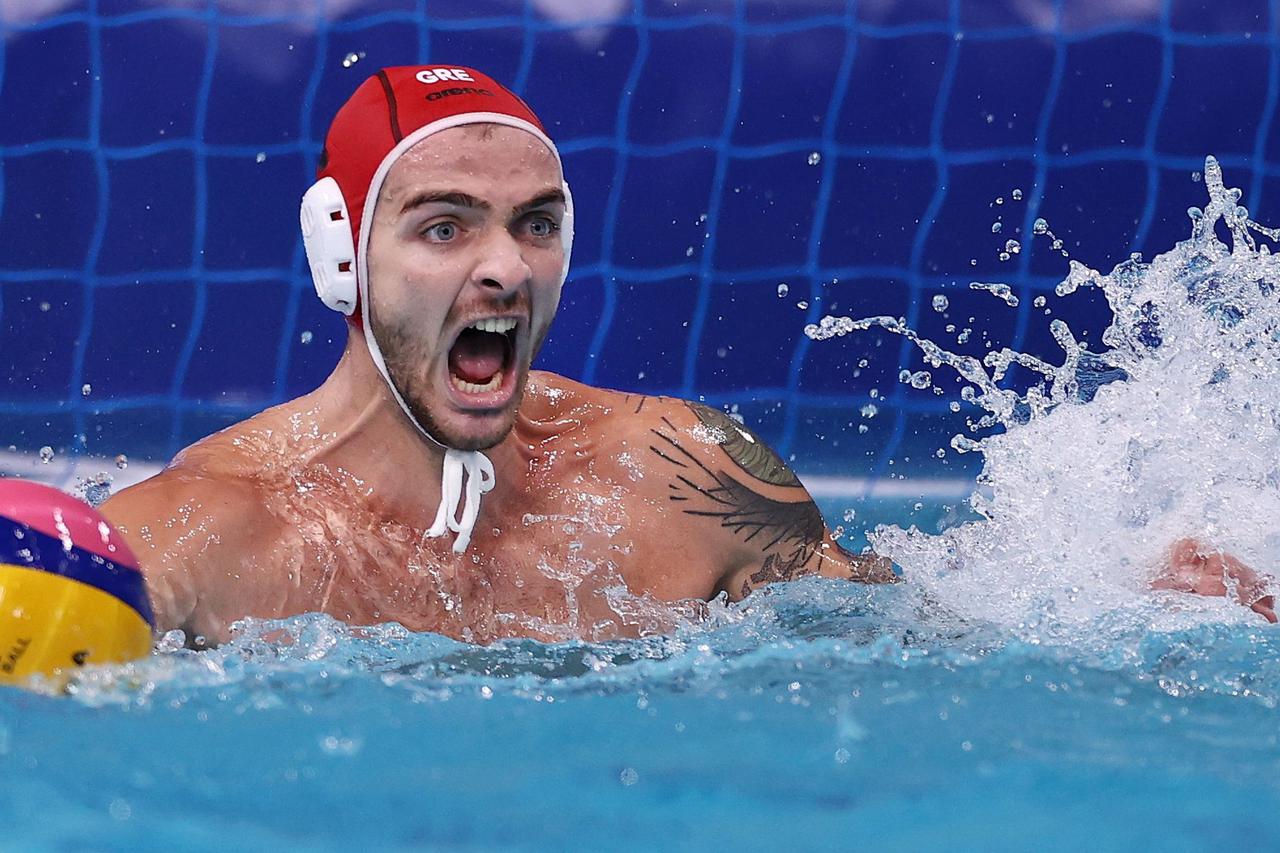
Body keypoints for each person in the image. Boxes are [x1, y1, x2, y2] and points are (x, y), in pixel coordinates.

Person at [98, 65, 1273, 647]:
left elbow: (907, 636)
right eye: (444, 226)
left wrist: (1127, 601)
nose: (504, 267)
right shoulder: (204, 540)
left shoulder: (678, 472)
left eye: (536, 224)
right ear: (342, 258)